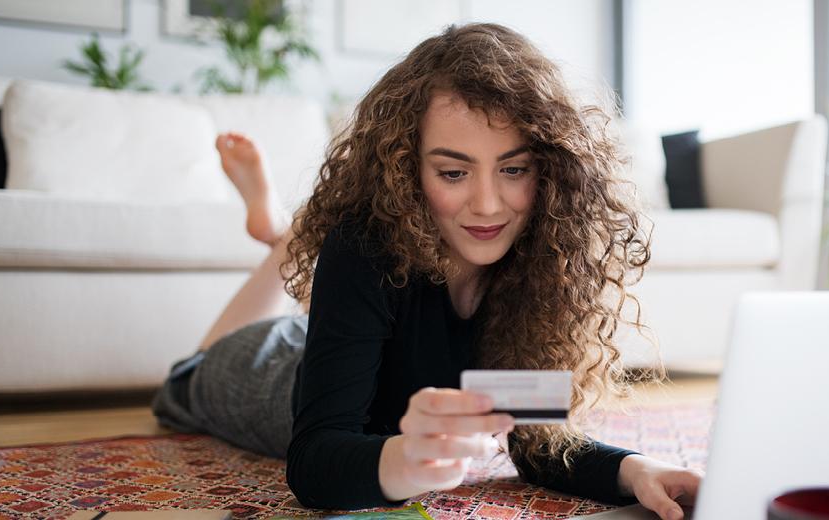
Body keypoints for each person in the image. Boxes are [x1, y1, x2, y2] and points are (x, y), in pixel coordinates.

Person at [152, 22, 701, 518]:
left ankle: (288, 239)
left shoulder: (543, 258)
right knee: (189, 373)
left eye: (513, 169)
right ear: (406, 169)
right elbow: (315, 460)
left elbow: (537, 443)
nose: (488, 204)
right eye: (453, 172)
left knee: (320, 325)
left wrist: (635, 470)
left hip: (333, 343)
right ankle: (286, 240)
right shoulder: (363, 244)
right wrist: (406, 459)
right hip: (266, 375)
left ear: (551, 170)